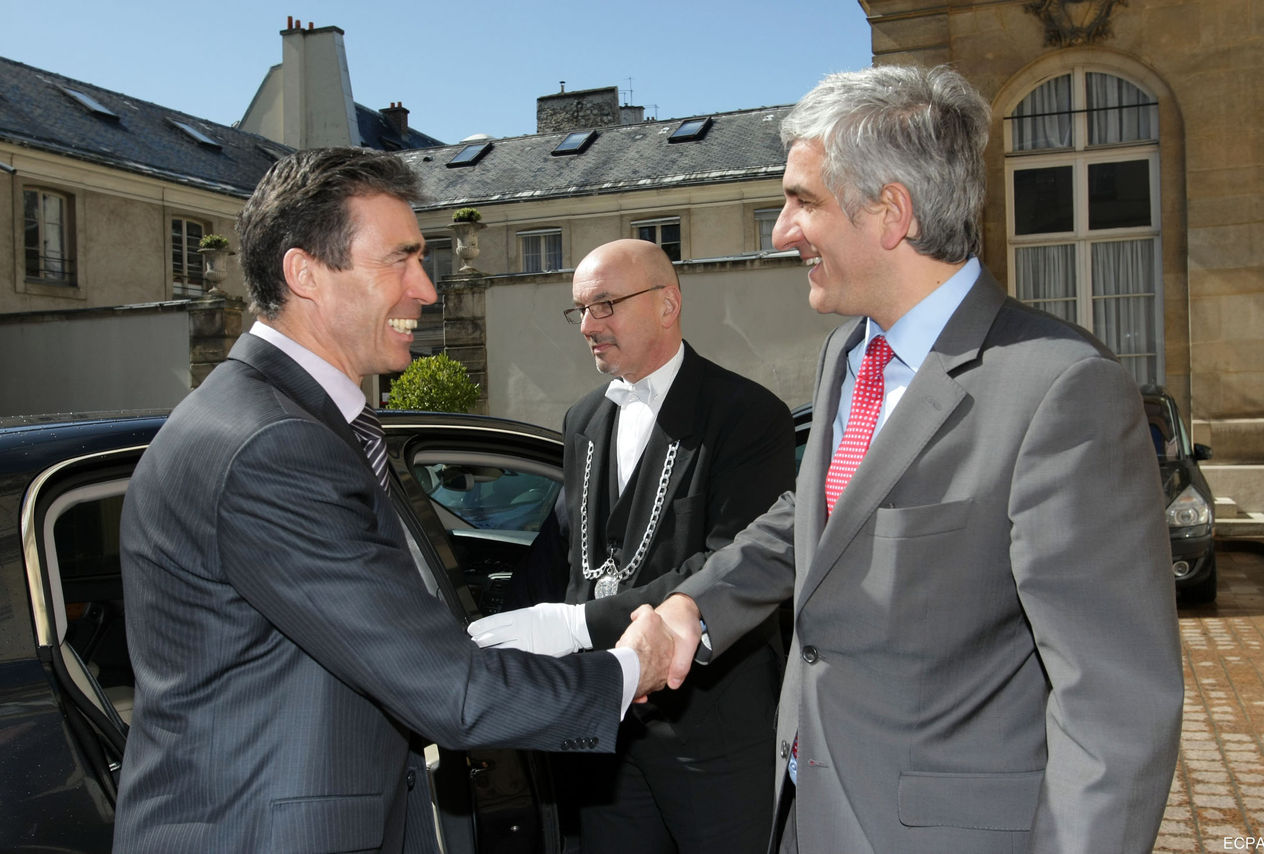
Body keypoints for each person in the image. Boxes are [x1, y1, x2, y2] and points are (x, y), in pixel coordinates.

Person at [654, 66, 1184, 854]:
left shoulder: (1063, 391)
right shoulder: (850, 351)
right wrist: (693, 609)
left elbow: (1114, 706)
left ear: (891, 212)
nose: (781, 230)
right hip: (807, 811)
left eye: (804, 201)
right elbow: (819, 518)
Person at [114, 148, 673, 853]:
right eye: (401, 260)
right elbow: (452, 694)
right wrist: (629, 669)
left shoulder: (275, 418)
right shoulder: (274, 445)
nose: (428, 289)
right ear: (305, 273)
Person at [468, 238, 795, 853]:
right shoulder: (583, 420)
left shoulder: (748, 415)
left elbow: (728, 567)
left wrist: (575, 625)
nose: (589, 326)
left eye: (606, 305)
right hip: (604, 736)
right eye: (581, 311)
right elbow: (562, 558)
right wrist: (475, 637)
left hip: (712, 738)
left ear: (668, 304)